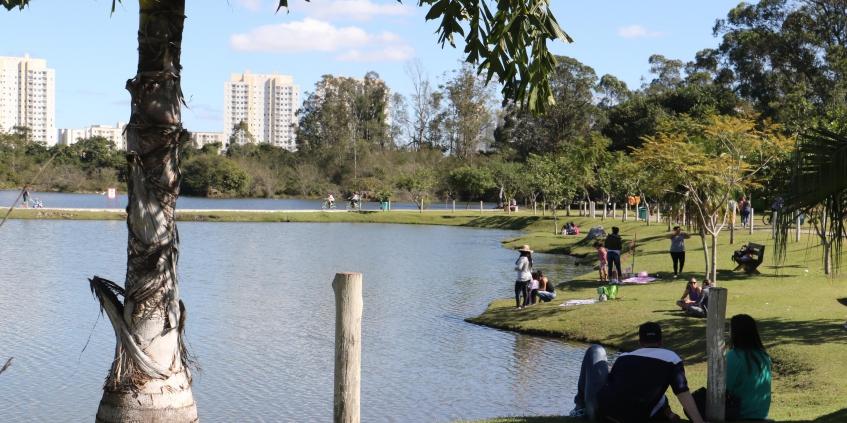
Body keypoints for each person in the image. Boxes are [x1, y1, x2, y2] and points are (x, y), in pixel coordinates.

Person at [570, 322, 706, 423]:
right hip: (637, 417)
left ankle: (580, 407)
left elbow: (612, 385)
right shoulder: (671, 358)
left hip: (603, 414)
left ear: (640, 342)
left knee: (595, 350)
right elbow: (682, 392)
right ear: (661, 342)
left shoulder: (624, 357)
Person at [727, 314, 772, 420]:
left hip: (741, 414)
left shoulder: (734, 356)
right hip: (761, 413)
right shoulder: (763, 356)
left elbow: (721, 388)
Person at [514, 245, 533, 309]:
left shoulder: (522, 258)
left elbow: (519, 268)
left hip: (521, 277)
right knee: (525, 291)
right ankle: (524, 305)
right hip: (528, 277)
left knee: (517, 292)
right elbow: (530, 269)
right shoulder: (530, 259)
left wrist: (515, 269)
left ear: (521, 252)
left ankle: (518, 306)